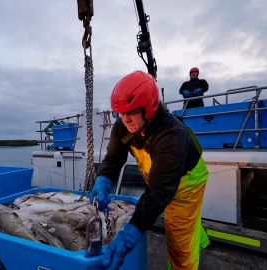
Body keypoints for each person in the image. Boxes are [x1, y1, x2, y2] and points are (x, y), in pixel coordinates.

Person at [89, 70, 209, 270]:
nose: (125, 119)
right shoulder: (123, 128)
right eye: (121, 113)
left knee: (179, 245)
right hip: (160, 178)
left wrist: (130, 234)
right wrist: (103, 179)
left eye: (132, 112)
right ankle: (195, 231)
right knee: (186, 221)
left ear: (149, 107)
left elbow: (158, 192)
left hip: (187, 182)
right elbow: (113, 158)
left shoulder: (172, 135)